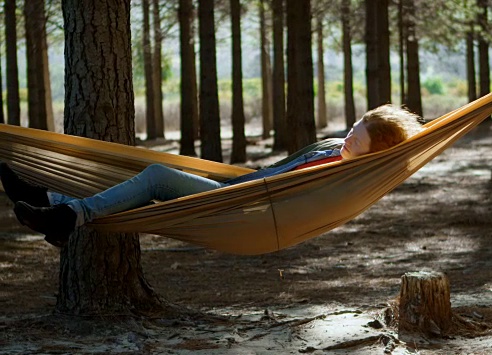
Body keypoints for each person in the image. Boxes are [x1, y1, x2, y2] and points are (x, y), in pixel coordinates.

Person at [1, 104, 423, 247]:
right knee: (138, 176)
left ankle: (68, 216)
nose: (348, 138)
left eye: (358, 141)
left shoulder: (343, 182)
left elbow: (297, 204)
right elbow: (275, 169)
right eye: (352, 129)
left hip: (247, 213)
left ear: (374, 156)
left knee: (155, 176)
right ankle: (53, 200)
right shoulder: (332, 148)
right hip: (234, 188)